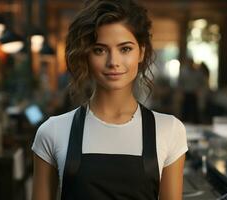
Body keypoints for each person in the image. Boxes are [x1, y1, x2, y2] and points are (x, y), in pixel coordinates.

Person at [31, 0, 188, 199]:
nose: (113, 62)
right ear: (86, 55)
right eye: (100, 50)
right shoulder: (52, 131)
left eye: (125, 49)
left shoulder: (169, 130)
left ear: (142, 52)